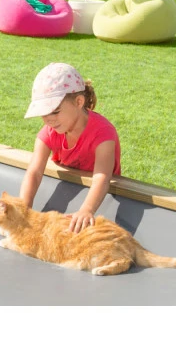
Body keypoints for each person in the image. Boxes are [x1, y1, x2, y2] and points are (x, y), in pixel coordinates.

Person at [19, 62, 121, 234]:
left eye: (55, 111)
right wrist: (24, 209)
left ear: (79, 102)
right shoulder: (49, 132)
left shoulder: (103, 133)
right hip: (69, 184)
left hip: (101, 195)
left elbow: (101, 177)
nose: (49, 120)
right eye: (43, 113)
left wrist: (86, 209)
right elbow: (34, 172)